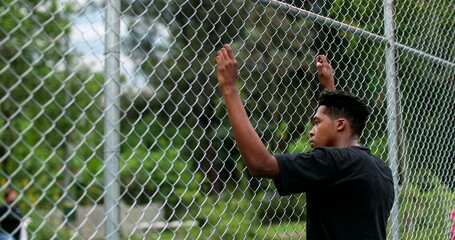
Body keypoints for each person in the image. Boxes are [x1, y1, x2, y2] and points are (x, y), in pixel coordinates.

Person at [215, 44, 395, 239]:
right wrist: (329, 91)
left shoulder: (332, 161)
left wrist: (229, 89)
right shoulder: (381, 169)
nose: (311, 131)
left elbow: (261, 165)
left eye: (317, 123)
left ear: (341, 125)